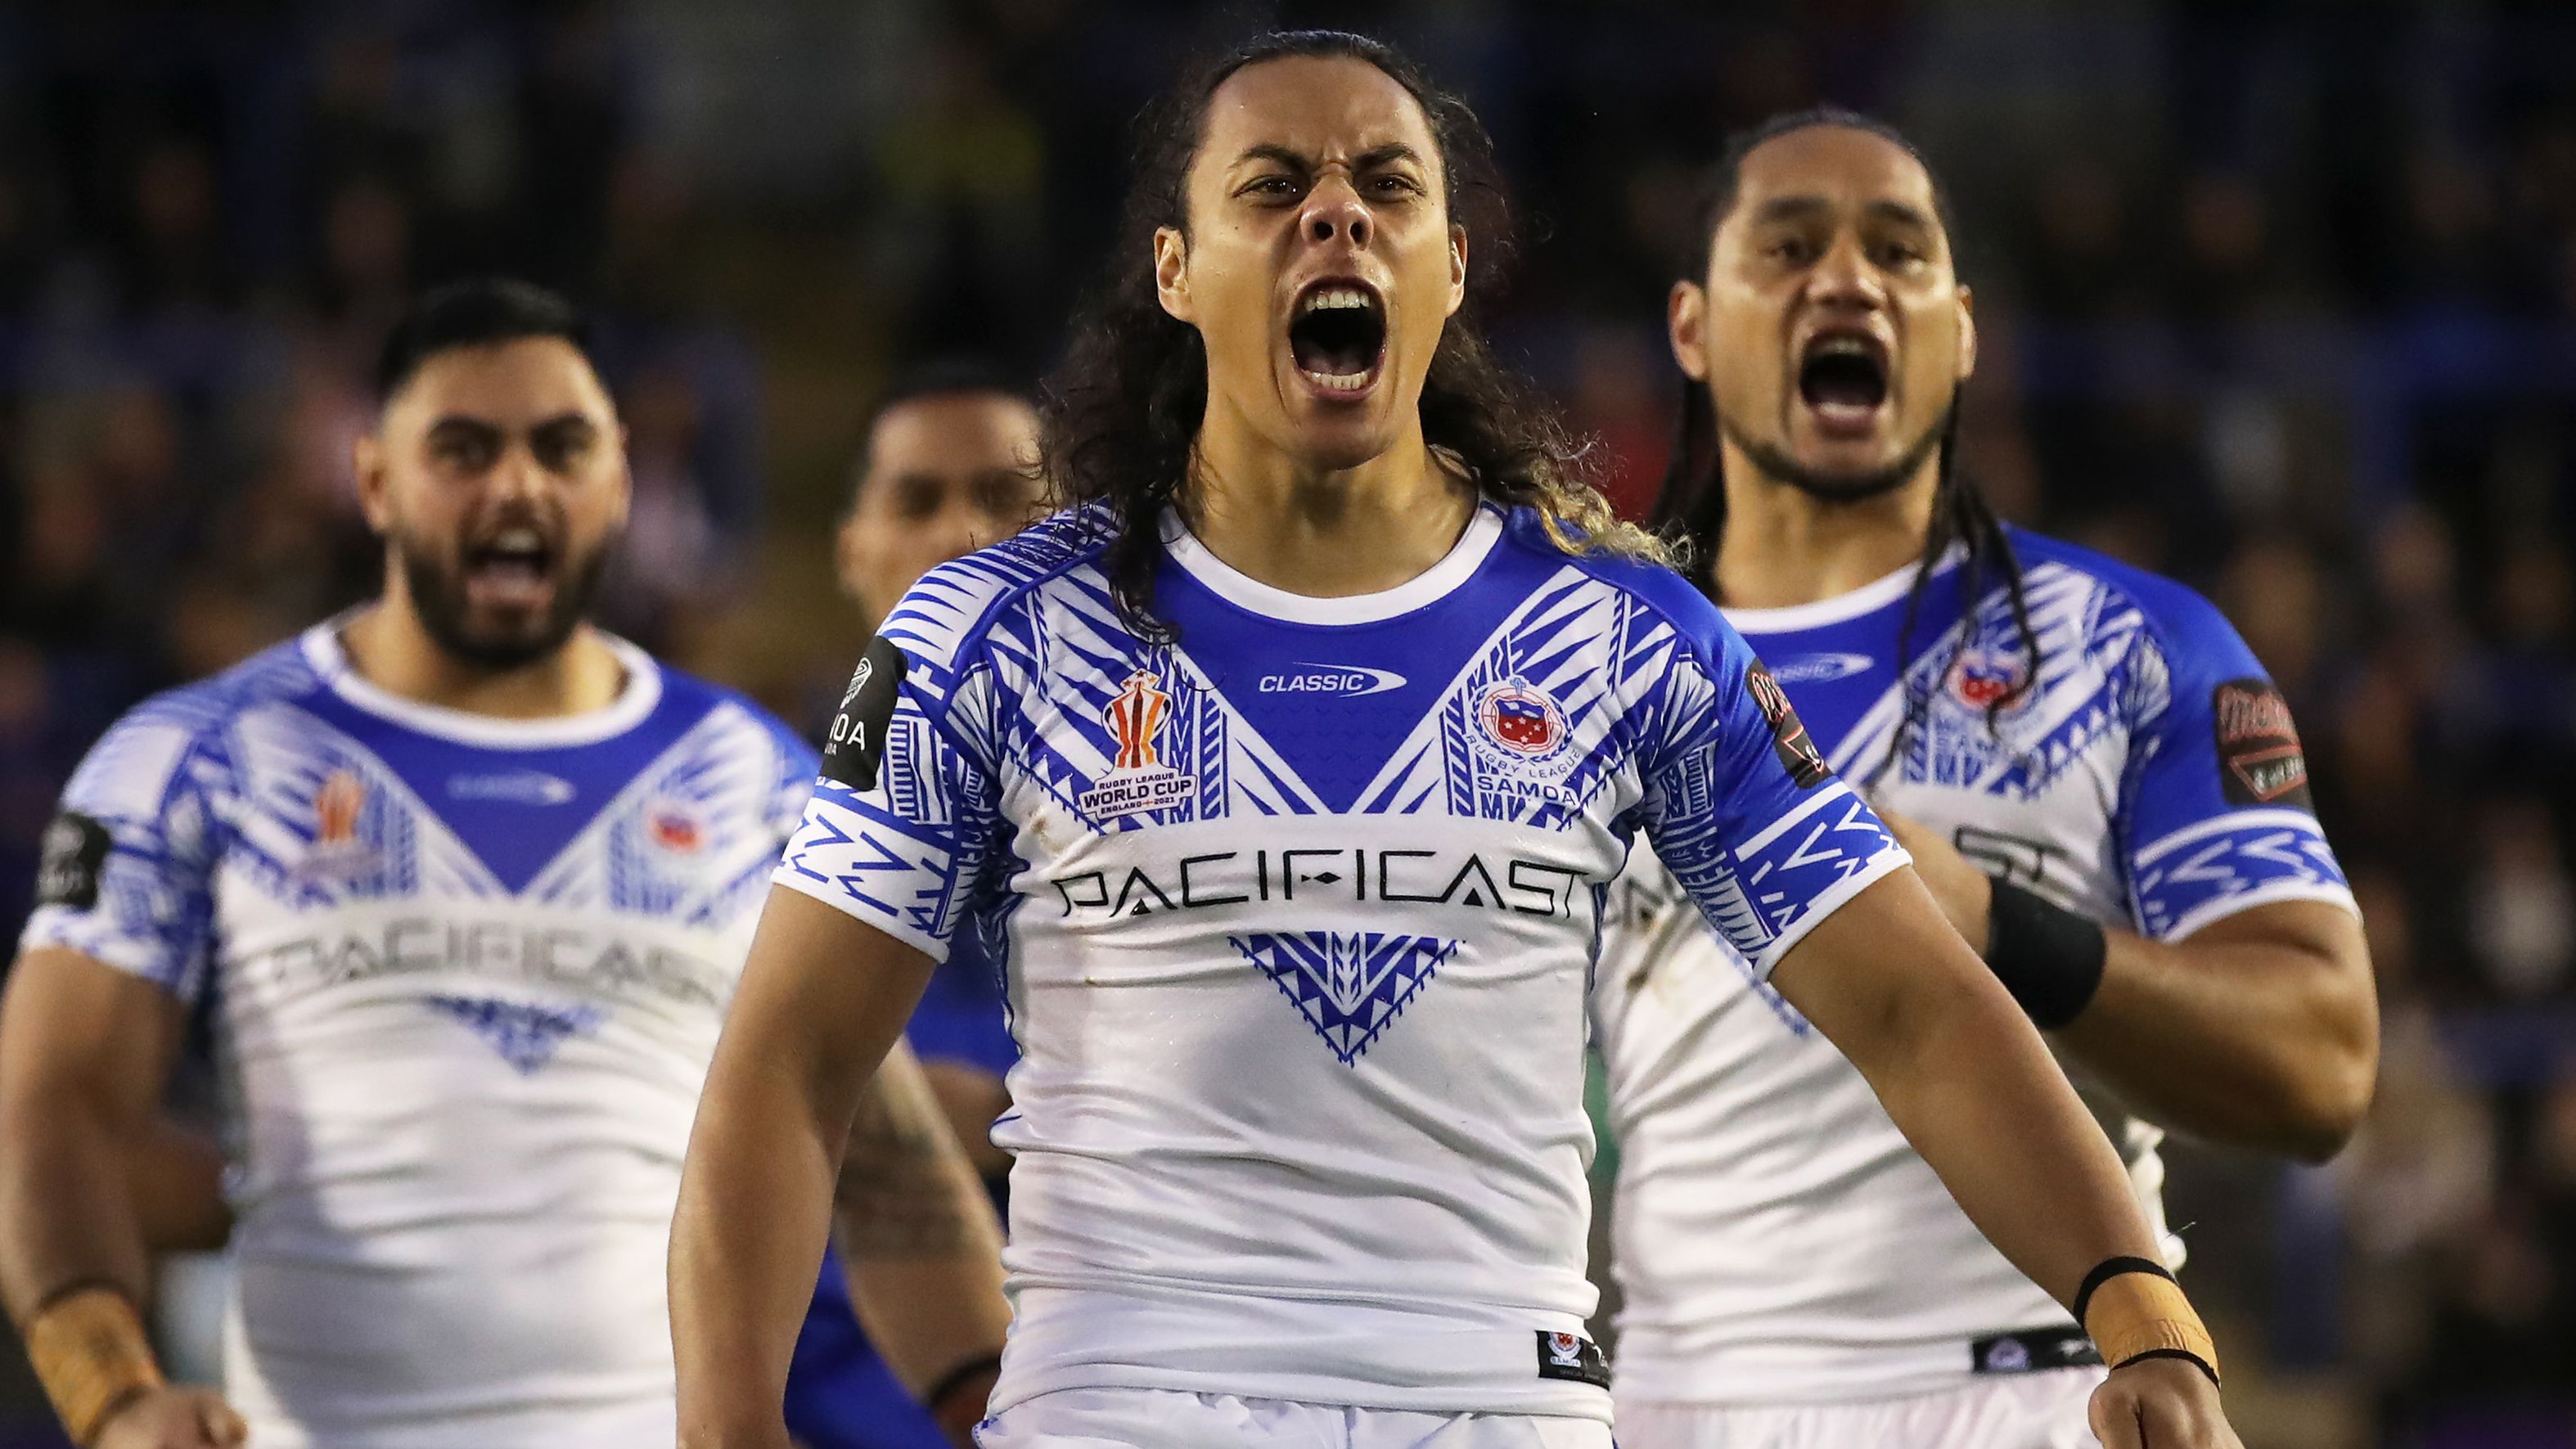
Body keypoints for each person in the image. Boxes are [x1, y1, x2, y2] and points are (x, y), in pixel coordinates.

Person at [670, 33, 2242, 1449]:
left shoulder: (1628, 638)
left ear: (1451, 265)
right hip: (1128, 1396)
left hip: (1506, 1399)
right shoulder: (997, 630)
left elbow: (1916, 1007)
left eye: (1384, 187)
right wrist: (728, 1427)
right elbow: (792, 1068)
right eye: (1273, 185)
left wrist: (2137, 1304)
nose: (1334, 218)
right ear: (1176, 268)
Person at [0, 279, 1006, 1449]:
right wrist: (111, 1397)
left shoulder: (754, 776)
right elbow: (53, 1109)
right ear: (375, 480)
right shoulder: (198, 758)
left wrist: (998, 1413)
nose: (517, 485)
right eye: (465, 450)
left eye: (560, 446)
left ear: (620, 477)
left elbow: (878, 1161)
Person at [1591, 110, 2378, 1449]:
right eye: (1788, 247)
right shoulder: (1575, 664)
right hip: (1672, 1401)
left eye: (1898, 252)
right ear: (1690, 327)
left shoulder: (2134, 647)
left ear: (1957, 333)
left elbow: (2322, 1064)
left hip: (2055, 1389)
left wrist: (2009, 929)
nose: (1846, 280)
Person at [786, 364, 1043, 1449]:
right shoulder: (752, 829)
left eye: (1003, 499)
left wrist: (999, 1120)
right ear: (852, 550)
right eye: (918, 501)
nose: (962, 536)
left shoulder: (1168, 832)